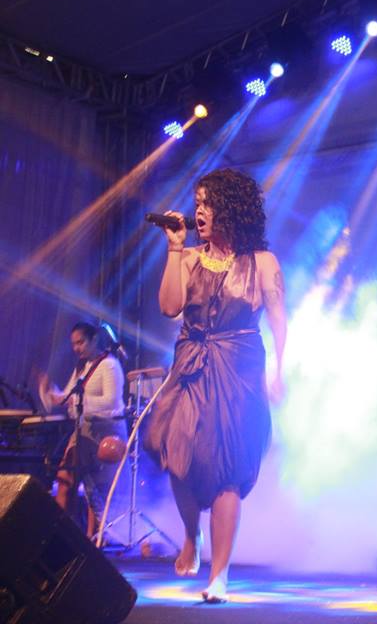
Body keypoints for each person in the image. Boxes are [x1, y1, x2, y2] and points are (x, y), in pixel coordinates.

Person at [144, 168, 286, 603]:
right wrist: (174, 248)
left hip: (239, 368)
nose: (200, 212)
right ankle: (192, 535)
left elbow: (279, 320)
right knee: (175, 453)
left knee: (228, 471)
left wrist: (280, 371)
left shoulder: (262, 262)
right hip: (192, 364)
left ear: (231, 208)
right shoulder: (188, 257)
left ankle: (219, 575)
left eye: (208, 203)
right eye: (197, 204)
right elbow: (169, 306)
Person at [38, 321, 127, 539]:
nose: (76, 348)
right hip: (83, 430)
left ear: (94, 339)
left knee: (94, 488)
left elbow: (112, 401)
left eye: (81, 342)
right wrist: (50, 392)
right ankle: (60, 536)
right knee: (64, 479)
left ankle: (93, 539)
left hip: (106, 431)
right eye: (73, 344)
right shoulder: (81, 367)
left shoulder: (109, 365)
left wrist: (76, 401)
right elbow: (68, 397)